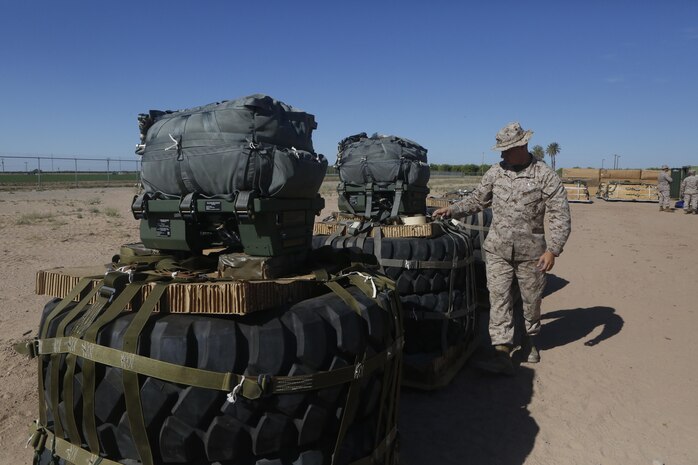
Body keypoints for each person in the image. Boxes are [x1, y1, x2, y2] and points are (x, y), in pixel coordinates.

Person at [433, 122, 571, 375]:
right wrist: (452, 209)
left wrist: (553, 249)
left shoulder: (544, 175)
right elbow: (478, 200)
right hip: (497, 250)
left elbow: (559, 214)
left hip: (533, 254)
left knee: (531, 302)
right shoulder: (495, 172)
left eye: (507, 149)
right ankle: (501, 351)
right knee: (499, 299)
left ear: (522, 146)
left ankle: (529, 342)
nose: (502, 154)